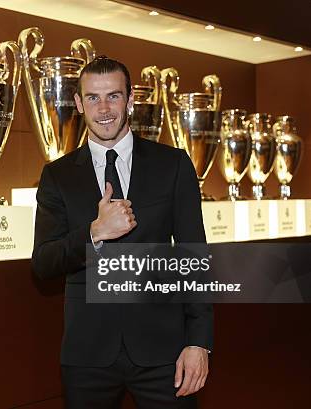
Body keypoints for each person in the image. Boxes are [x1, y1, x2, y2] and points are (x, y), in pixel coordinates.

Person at [31, 56, 213, 409]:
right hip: (88, 354)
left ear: (130, 100)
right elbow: (43, 263)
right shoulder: (58, 175)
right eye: (94, 98)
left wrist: (198, 342)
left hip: (165, 352)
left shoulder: (173, 165)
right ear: (79, 103)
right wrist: (94, 232)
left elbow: (195, 256)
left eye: (113, 96)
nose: (104, 109)